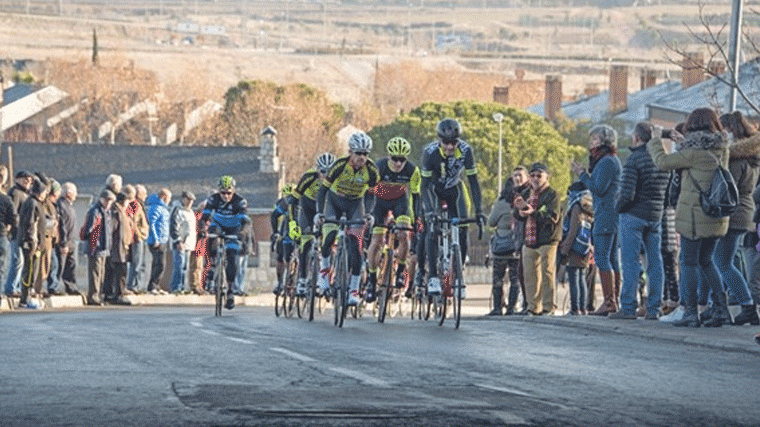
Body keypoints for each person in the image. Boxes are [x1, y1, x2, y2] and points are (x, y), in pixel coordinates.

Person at [647, 107, 730, 327]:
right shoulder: (721, 148)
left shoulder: (693, 153)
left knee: (689, 263)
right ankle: (721, 309)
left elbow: (663, 162)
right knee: (707, 261)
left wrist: (656, 140)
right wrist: (683, 141)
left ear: (692, 126)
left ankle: (690, 312)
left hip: (694, 216)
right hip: (715, 215)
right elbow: (699, 157)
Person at [609, 122, 670, 320]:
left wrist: (617, 207)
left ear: (637, 138)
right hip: (655, 216)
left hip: (633, 215)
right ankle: (654, 308)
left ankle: (628, 307)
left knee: (630, 262)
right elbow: (668, 193)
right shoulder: (663, 160)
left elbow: (627, 194)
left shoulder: (634, 159)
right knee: (655, 263)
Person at [705, 111, 760, 326]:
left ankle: (745, 306)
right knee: (723, 261)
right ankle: (720, 305)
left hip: (733, 213)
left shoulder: (736, 158)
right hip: (743, 212)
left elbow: (728, 188)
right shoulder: (750, 156)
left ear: (729, 129)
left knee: (722, 262)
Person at [420, 118, 484, 297]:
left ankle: (458, 277)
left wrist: (478, 211)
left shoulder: (465, 150)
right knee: (432, 227)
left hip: (455, 189)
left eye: (453, 143)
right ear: (439, 140)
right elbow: (424, 186)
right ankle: (432, 275)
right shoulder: (430, 152)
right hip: (434, 189)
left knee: (462, 227)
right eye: (446, 143)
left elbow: (473, 182)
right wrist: (430, 211)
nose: (449, 147)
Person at [316, 131, 378, 306]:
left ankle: (353, 290)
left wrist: (368, 214)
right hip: (334, 202)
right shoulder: (339, 166)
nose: (361, 158)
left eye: (365, 154)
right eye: (358, 153)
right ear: (350, 152)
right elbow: (323, 191)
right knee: (329, 237)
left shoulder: (372, 170)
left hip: (355, 205)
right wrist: (320, 213)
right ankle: (324, 274)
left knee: (356, 249)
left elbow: (371, 195)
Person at [571, 124, 622, 316]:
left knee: (602, 257)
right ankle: (614, 300)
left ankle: (610, 301)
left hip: (605, 215)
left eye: (595, 139)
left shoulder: (607, 162)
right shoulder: (612, 161)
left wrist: (583, 175)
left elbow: (598, 188)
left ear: (605, 141)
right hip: (612, 214)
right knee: (611, 259)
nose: (591, 143)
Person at [364, 137, 420, 303]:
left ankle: (401, 270)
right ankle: (372, 281)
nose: (398, 163)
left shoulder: (412, 170)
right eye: (394, 159)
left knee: (404, 233)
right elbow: (367, 192)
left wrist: (416, 219)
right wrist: (366, 213)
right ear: (388, 157)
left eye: (402, 159)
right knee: (377, 240)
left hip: (399, 202)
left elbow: (416, 196)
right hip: (379, 202)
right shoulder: (378, 167)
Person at [514, 163, 561, 315]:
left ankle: (548, 307)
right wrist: (520, 212)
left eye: (539, 176)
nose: (535, 179)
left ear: (547, 177)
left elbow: (552, 216)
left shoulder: (552, 194)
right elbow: (517, 214)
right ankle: (533, 307)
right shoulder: (527, 192)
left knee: (547, 273)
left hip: (547, 239)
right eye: (532, 175)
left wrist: (531, 212)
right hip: (529, 239)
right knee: (530, 275)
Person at [200, 176, 249, 310]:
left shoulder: (240, 201)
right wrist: (203, 229)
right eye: (223, 193)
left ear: (233, 191)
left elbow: (246, 221)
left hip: (234, 228)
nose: (226, 196)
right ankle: (213, 264)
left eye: (229, 193)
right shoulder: (213, 199)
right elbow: (205, 217)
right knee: (212, 234)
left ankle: (230, 291)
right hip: (219, 225)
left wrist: (242, 233)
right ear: (218, 191)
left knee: (232, 257)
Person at [292, 152, 335, 296]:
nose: (325, 176)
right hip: (307, 208)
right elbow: (293, 200)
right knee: (306, 243)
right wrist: (293, 224)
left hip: (325, 209)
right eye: (323, 172)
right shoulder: (309, 177)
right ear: (317, 170)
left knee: (329, 241)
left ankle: (327, 277)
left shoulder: (336, 180)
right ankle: (302, 280)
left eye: (329, 172)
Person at [559, 182, 594, 315]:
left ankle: (575, 308)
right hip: (585, 248)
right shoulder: (589, 207)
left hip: (574, 248)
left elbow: (573, 230)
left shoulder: (576, 207)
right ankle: (583, 307)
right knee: (582, 279)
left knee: (574, 279)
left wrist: (564, 251)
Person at [487, 178, 520, 315]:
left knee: (498, 278)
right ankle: (511, 307)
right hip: (515, 244)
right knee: (514, 279)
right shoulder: (520, 202)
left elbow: (491, 222)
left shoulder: (500, 204)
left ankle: (497, 307)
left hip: (500, 245)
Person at [18, 177, 48, 309]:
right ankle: (25, 299)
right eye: (44, 192)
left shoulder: (37, 203)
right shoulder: (32, 203)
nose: (45, 194)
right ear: (39, 192)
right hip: (31, 244)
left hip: (37, 244)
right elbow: (30, 224)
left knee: (33, 271)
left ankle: (28, 296)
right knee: (29, 271)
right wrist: (31, 243)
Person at [82, 190, 115, 306]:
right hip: (96, 247)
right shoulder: (95, 211)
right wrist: (94, 245)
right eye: (107, 200)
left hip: (104, 248)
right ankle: (93, 296)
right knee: (95, 273)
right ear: (101, 199)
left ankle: (98, 294)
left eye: (110, 201)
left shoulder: (107, 212)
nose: (108, 203)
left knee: (101, 273)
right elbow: (90, 230)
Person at [4, 170, 33, 298]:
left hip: (23, 234)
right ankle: (11, 288)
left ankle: (16, 287)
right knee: (17, 261)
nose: (27, 181)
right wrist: (12, 230)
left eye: (29, 180)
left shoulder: (25, 194)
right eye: (24, 179)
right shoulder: (16, 193)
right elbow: (13, 213)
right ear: (17, 179)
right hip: (16, 233)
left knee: (21, 261)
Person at [104, 192, 133, 305]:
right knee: (120, 272)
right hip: (117, 248)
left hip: (122, 247)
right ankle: (117, 295)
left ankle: (112, 293)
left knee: (116, 271)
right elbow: (112, 228)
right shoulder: (116, 212)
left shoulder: (122, 211)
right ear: (123, 201)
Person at [52, 182, 79, 295]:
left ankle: (71, 287)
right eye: (75, 193)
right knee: (60, 266)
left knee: (71, 266)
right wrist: (64, 243)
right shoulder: (61, 205)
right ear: (69, 193)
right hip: (65, 242)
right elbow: (62, 225)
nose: (76, 195)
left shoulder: (69, 205)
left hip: (71, 241)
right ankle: (55, 287)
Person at [271, 184, 298, 295]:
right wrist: (275, 232)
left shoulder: (301, 202)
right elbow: (274, 216)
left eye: (291, 197)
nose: (289, 200)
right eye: (286, 198)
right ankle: (280, 282)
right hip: (285, 232)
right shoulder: (281, 203)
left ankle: (294, 278)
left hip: (299, 230)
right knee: (282, 258)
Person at [169, 191, 197, 294]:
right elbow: (173, 226)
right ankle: (176, 287)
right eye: (188, 200)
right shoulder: (178, 210)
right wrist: (178, 241)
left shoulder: (190, 212)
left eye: (192, 200)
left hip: (188, 244)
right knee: (179, 266)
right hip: (180, 244)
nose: (190, 202)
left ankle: (182, 287)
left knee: (185, 267)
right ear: (184, 199)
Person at [146, 188, 171, 295]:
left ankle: (155, 285)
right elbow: (151, 223)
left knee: (158, 264)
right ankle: (152, 286)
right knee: (159, 264)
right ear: (164, 197)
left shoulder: (163, 208)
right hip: (156, 241)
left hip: (162, 240)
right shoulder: (156, 207)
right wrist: (156, 239)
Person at [126, 184, 149, 294]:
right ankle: (132, 285)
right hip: (137, 239)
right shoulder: (134, 204)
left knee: (141, 264)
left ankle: (138, 285)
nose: (146, 196)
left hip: (141, 237)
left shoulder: (140, 205)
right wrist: (137, 235)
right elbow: (132, 221)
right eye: (144, 193)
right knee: (136, 263)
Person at [39, 178, 60, 297]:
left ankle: (51, 287)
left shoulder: (52, 205)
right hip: (45, 238)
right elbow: (44, 220)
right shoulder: (46, 204)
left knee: (52, 264)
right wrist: (52, 223)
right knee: (45, 265)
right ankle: (43, 288)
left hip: (51, 239)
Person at [0, 166, 17, 298]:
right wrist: (9, 227)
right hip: (1, 235)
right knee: (1, 266)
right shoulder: (6, 200)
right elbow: (13, 219)